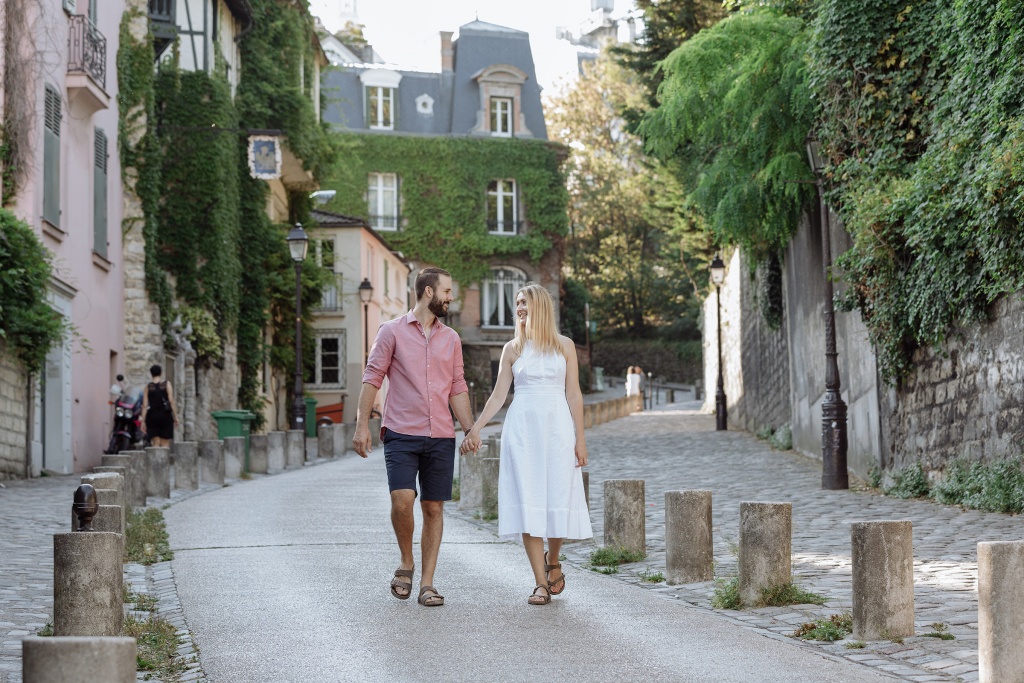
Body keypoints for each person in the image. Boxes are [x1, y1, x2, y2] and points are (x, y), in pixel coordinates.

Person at [353, 267, 477, 607]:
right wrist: (361, 425)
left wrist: (470, 428)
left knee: (434, 507)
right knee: (402, 501)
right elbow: (373, 377)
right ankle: (406, 560)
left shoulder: (451, 339)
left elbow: (457, 386)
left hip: (441, 435)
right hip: (401, 433)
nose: (451, 297)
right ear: (428, 292)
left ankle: (427, 583)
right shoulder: (391, 331)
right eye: (447, 291)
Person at [462, 282, 592, 605]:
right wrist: (475, 429)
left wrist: (581, 439)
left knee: (558, 496)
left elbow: (574, 394)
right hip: (521, 431)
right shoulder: (512, 349)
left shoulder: (565, 346)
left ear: (541, 307)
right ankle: (540, 584)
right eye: (517, 303)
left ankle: (553, 559)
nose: (519, 308)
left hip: (558, 429)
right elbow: (498, 396)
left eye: (524, 302)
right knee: (528, 500)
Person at [140, 364, 178, 448]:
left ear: (151, 374)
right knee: (165, 443)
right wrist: (176, 417)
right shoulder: (167, 384)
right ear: (161, 373)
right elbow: (171, 401)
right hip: (165, 415)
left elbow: (145, 405)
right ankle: (164, 456)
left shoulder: (148, 387)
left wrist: (143, 421)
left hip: (152, 416)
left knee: (155, 443)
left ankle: (156, 456)